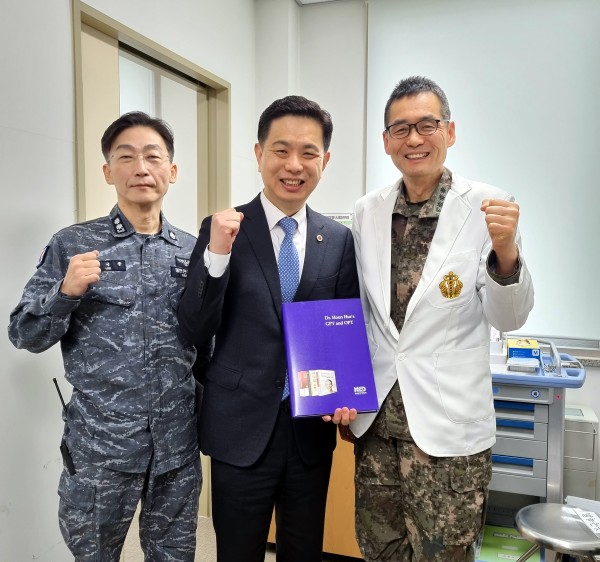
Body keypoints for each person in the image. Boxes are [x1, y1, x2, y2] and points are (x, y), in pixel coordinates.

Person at [350, 76, 534, 561]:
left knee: (444, 554)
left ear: (449, 132)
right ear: (386, 141)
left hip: (448, 436)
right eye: (401, 128)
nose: (414, 138)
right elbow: (361, 314)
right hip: (378, 429)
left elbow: (509, 317)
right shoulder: (367, 211)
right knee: (380, 550)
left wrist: (506, 252)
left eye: (427, 125)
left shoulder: (488, 206)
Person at [8, 112, 201, 561]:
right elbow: (24, 333)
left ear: (172, 170)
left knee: (175, 556)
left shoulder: (193, 251)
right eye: (126, 157)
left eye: (153, 157)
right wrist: (64, 293)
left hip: (176, 446)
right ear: (108, 171)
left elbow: (208, 342)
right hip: (101, 447)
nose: (141, 168)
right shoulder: (73, 244)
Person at [177, 95, 359, 562]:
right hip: (239, 426)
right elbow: (195, 326)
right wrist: (217, 255)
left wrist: (346, 394)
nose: (293, 165)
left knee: (304, 551)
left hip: (309, 429)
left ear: (325, 161)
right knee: (238, 552)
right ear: (259, 154)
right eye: (281, 150)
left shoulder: (338, 240)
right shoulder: (223, 229)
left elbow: (342, 329)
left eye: (308, 153)